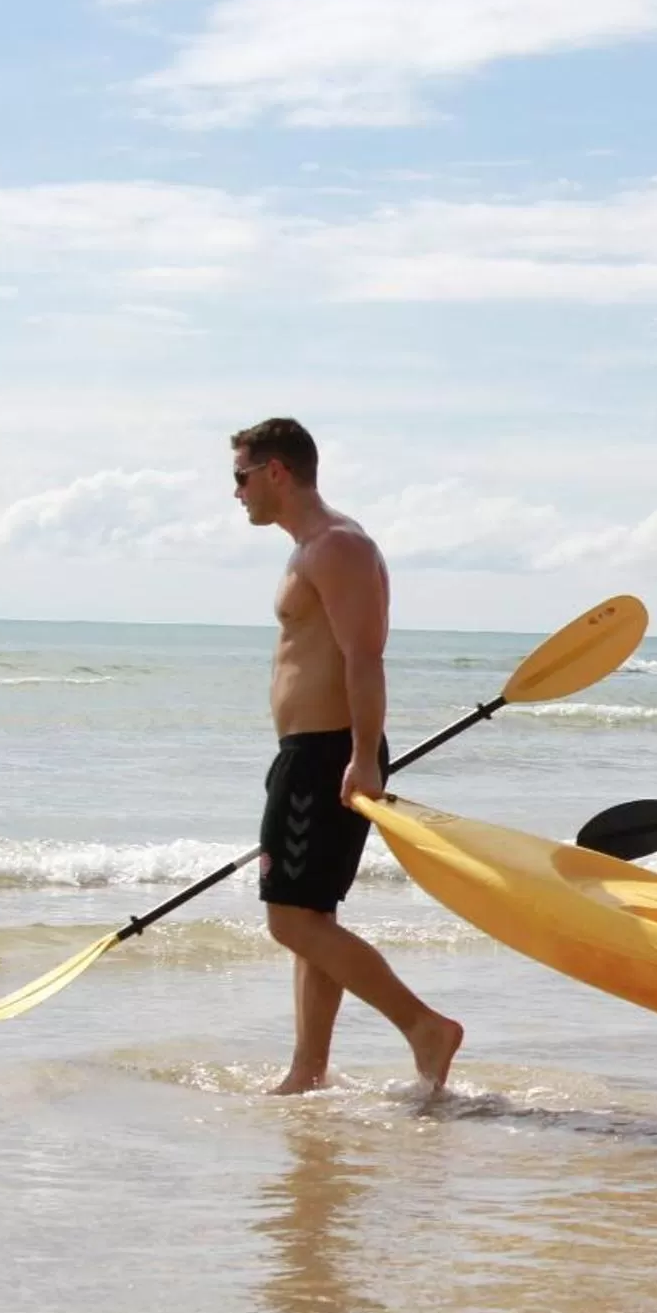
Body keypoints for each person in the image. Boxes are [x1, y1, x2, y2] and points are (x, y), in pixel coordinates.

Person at [231, 417, 462, 1095]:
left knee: (290, 920)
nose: (236, 492)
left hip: (327, 754)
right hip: (307, 752)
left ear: (276, 471)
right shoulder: (309, 548)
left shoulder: (337, 546)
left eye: (241, 477)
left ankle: (423, 1026)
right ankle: (308, 1070)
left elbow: (365, 657)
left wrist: (362, 757)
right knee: (312, 919)